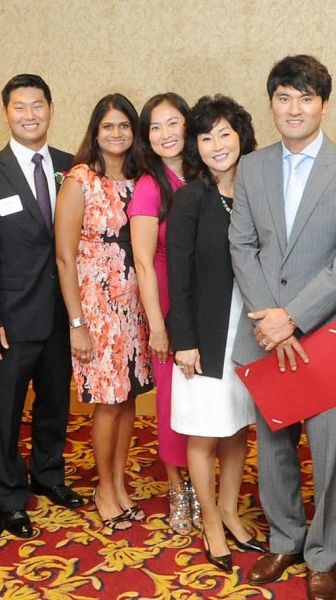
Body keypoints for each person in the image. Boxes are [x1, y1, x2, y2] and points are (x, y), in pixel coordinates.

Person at [229, 55, 336, 600]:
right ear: (271, 103)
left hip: (329, 336)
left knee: (330, 451)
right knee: (273, 449)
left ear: (324, 104)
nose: (295, 108)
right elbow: (241, 247)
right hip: (265, 333)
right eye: (284, 98)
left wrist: (291, 317)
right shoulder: (252, 166)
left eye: (306, 98)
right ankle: (286, 537)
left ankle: (323, 552)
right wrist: (271, 319)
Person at [0, 73, 87, 540]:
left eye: (37, 105)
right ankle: (9, 493)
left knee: (55, 405)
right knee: (7, 412)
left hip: (61, 315)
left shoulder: (71, 167)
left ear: (51, 109)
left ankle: (49, 475)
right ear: (6, 113)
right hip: (10, 321)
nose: (29, 115)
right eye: (20, 107)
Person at [167, 94, 265, 573]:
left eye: (224, 133)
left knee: (236, 426)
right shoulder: (190, 198)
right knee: (205, 433)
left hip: (249, 334)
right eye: (205, 137)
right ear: (196, 147)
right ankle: (210, 519)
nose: (216, 144)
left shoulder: (257, 193)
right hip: (202, 337)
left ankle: (230, 509)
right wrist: (182, 339)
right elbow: (177, 276)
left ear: (241, 136)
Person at [55, 93, 153, 531]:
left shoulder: (140, 179)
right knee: (108, 404)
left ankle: (118, 480)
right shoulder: (79, 179)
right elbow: (63, 256)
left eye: (124, 126)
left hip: (135, 307)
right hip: (96, 309)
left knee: (129, 397)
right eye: (108, 126)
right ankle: (103, 487)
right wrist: (76, 322)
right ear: (95, 131)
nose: (116, 134)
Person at [127, 93, 198, 535]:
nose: (165, 134)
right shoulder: (149, 185)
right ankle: (177, 487)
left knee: (207, 402)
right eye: (155, 127)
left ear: (188, 127)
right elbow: (142, 260)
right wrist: (156, 325)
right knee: (174, 402)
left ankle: (206, 483)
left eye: (173, 123)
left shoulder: (207, 173)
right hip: (167, 309)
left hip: (208, 305)